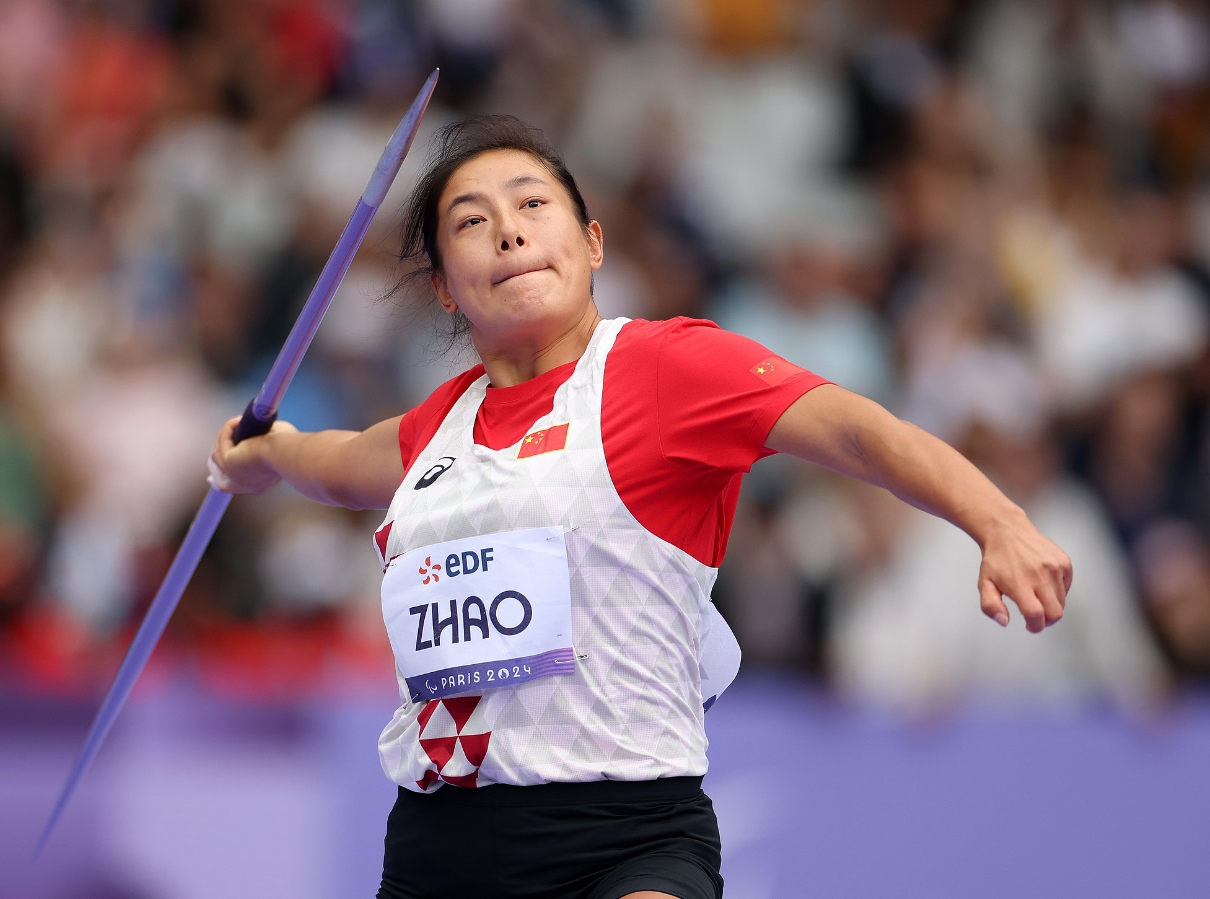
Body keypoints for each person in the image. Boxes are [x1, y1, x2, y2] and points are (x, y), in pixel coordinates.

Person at [209, 116, 1073, 899]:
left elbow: (855, 430)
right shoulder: (433, 431)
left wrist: (996, 520)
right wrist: (265, 455)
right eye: (470, 221)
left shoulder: (666, 369)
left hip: (624, 840)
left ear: (590, 244)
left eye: (530, 205)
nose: (506, 229)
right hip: (439, 849)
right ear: (446, 289)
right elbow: (331, 462)